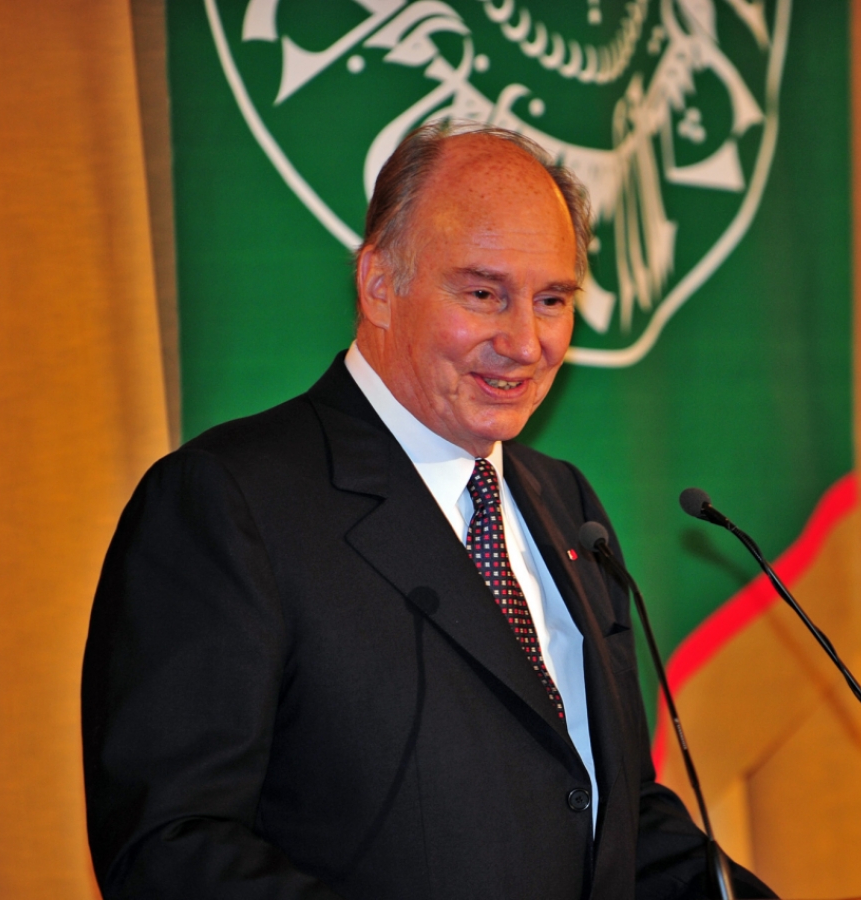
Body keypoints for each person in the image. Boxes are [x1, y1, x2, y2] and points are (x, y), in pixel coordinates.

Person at [82, 123, 775, 900]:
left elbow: (614, 817)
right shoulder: (228, 502)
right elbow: (170, 847)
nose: (525, 341)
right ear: (379, 283)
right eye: (484, 294)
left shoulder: (566, 502)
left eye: (552, 300)